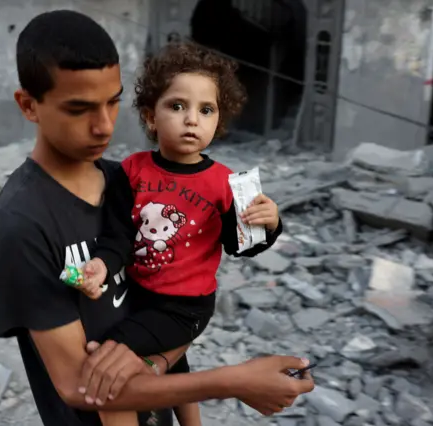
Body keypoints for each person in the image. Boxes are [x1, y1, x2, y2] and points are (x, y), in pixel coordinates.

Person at [0, 9, 314, 426]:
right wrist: (233, 381)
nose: (104, 127)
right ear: (29, 106)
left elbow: (196, 281)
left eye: (112, 102)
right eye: (79, 108)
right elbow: (79, 386)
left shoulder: (118, 177)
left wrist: (269, 223)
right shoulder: (24, 224)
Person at [74, 42, 284, 426]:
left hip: (187, 306)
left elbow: (240, 246)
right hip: (139, 294)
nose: (192, 120)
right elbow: (118, 236)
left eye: (206, 110)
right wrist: (102, 266)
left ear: (217, 123)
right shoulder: (132, 172)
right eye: (177, 106)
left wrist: (269, 224)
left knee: (112, 350)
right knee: (175, 362)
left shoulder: (224, 183)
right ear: (150, 116)